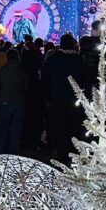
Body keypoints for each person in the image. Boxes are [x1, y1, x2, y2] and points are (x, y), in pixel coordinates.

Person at [40, 33, 85, 163]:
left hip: (57, 100)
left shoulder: (53, 60)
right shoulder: (80, 60)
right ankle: (74, 156)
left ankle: (61, 156)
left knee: (59, 129)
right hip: (75, 101)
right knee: (74, 128)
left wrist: (47, 99)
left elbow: (45, 81)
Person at [0, 49, 28, 154]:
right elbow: (26, 87)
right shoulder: (23, 71)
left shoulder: (2, 70)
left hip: (5, 101)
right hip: (19, 102)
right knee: (16, 129)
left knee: (2, 128)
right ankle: (14, 152)